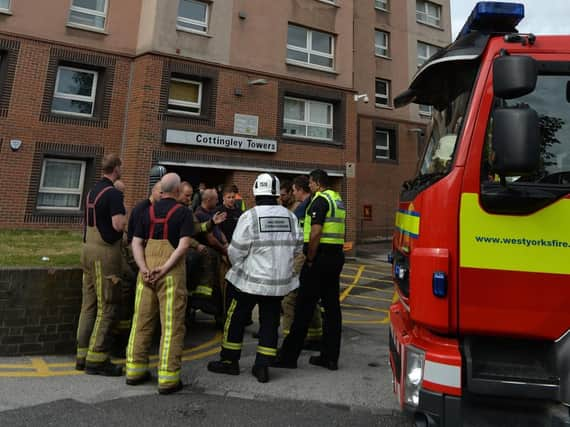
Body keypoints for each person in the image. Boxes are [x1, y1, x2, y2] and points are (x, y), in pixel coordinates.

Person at [207, 173, 303, 383]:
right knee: (269, 322)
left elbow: (235, 251)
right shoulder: (290, 217)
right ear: (277, 193)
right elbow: (298, 248)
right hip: (277, 285)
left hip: (249, 282)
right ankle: (262, 367)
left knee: (236, 319)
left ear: (255, 192)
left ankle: (229, 361)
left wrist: (240, 268)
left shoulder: (250, 217)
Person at [126, 173, 193, 394]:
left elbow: (136, 242)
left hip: (145, 274)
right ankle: (167, 378)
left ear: (162, 190)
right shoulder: (183, 213)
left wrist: (143, 268)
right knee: (171, 326)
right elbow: (183, 246)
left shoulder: (147, 212)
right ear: (176, 191)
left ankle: (134, 371)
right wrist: (164, 268)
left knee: (141, 322)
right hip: (170, 274)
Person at [274, 169, 346, 371]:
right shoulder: (337, 199)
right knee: (332, 310)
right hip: (335, 257)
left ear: (315, 182)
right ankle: (330, 357)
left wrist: (311, 259)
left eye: (311, 183)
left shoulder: (319, 200)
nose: (310, 186)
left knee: (303, 307)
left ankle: (288, 357)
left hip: (319, 259)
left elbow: (315, 232)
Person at [76, 154, 126, 376]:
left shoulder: (92, 191)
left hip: (86, 249)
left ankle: (82, 355)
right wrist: (124, 218)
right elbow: (117, 225)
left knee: (88, 304)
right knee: (107, 305)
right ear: (116, 168)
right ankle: (97, 359)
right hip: (104, 254)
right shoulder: (114, 194)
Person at [281, 175, 323, 351]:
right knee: (309, 297)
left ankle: (290, 341)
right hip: (308, 255)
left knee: (289, 299)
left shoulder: (304, 208)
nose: (293, 194)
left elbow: (308, 233)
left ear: (299, 190)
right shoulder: (310, 205)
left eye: (293, 191)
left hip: (302, 256)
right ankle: (315, 336)